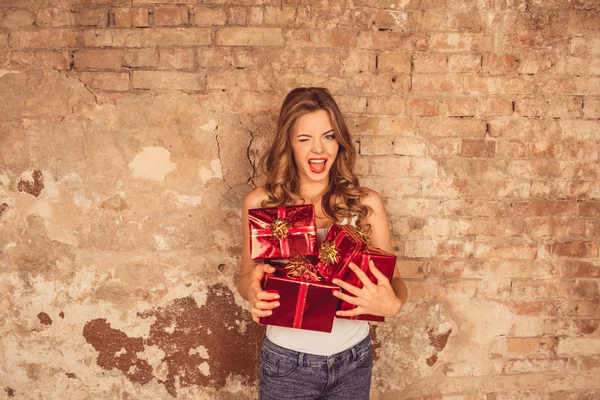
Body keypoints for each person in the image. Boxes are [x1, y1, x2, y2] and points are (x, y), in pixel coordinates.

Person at [236, 87, 408, 399]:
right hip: (287, 362)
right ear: (288, 142)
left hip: (354, 359)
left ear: (339, 142)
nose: (319, 150)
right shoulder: (262, 202)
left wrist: (393, 304)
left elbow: (393, 281)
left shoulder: (366, 203)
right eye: (305, 139)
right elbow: (246, 276)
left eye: (328, 136)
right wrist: (252, 289)